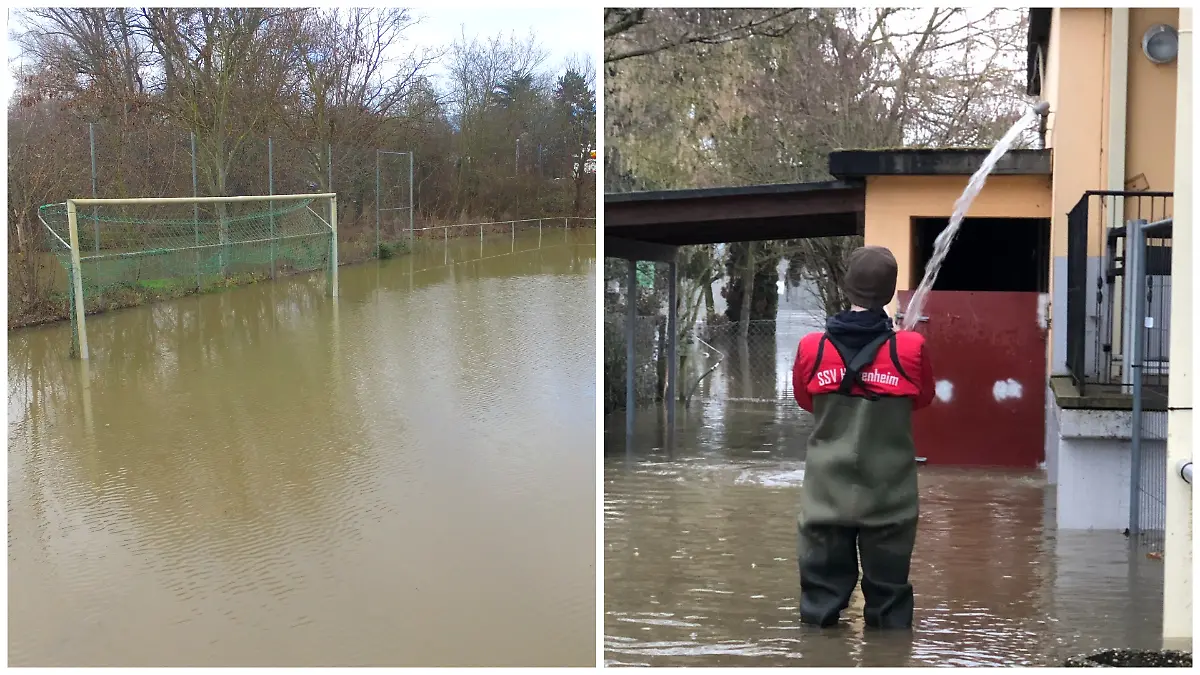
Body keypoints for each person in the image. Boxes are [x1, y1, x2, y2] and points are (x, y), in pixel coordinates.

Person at [791, 245, 934, 629]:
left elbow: (807, 402)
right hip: (890, 499)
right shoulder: (910, 348)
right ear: (889, 293)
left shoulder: (812, 347)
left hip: (825, 498)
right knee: (889, 601)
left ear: (846, 285)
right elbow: (922, 400)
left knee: (819, 606)